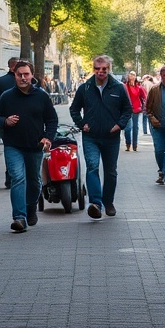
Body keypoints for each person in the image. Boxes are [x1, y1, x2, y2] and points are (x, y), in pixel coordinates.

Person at [0, 60, 57, 233]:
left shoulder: (41, 96)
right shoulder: (6, 96)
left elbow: (52, 119)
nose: (22, 77)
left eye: (26, 74)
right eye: (19, 74)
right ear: (14, 75)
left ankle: (30, 207)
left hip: (34, 146)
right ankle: (19, 217)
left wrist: (47, 138)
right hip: (13, 145)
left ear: (32, 75)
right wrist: (5, 121)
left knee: (34, 181)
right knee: (18, 178)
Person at [69, 55, 132, 219]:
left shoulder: (118, 88)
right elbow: (74, 109)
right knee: (92, 167)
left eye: (104, 69)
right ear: (93, 69)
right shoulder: (85, 88)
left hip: (111, 137)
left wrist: (119, 125)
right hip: (91, 137)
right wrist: (82, 124)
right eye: (97, 69)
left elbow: (127, 109)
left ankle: (108, 202)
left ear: (108, 69)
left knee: (110, 171)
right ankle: (95, 203)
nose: (101, 72)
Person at [0, 57, 19, 189]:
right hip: (11, 124)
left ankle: (11, 177)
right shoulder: (3, 81)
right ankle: (14, 176)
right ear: (12, 67)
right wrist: (1, 117)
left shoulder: (1, 81)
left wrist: (1, 116)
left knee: (10, 149)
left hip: (7, 124)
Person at [124, 72, 146, 152]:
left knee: (135, 128)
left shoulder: (138, 88)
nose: (132, 77)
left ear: (135, 77)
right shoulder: (124, 87)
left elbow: (144, 97)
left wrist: (144, 106)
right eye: (130, 75)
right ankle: (128, 143)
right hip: (127, 110)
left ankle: (135, 145)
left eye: (133, 75)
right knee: (128, 128)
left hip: (136, 109)